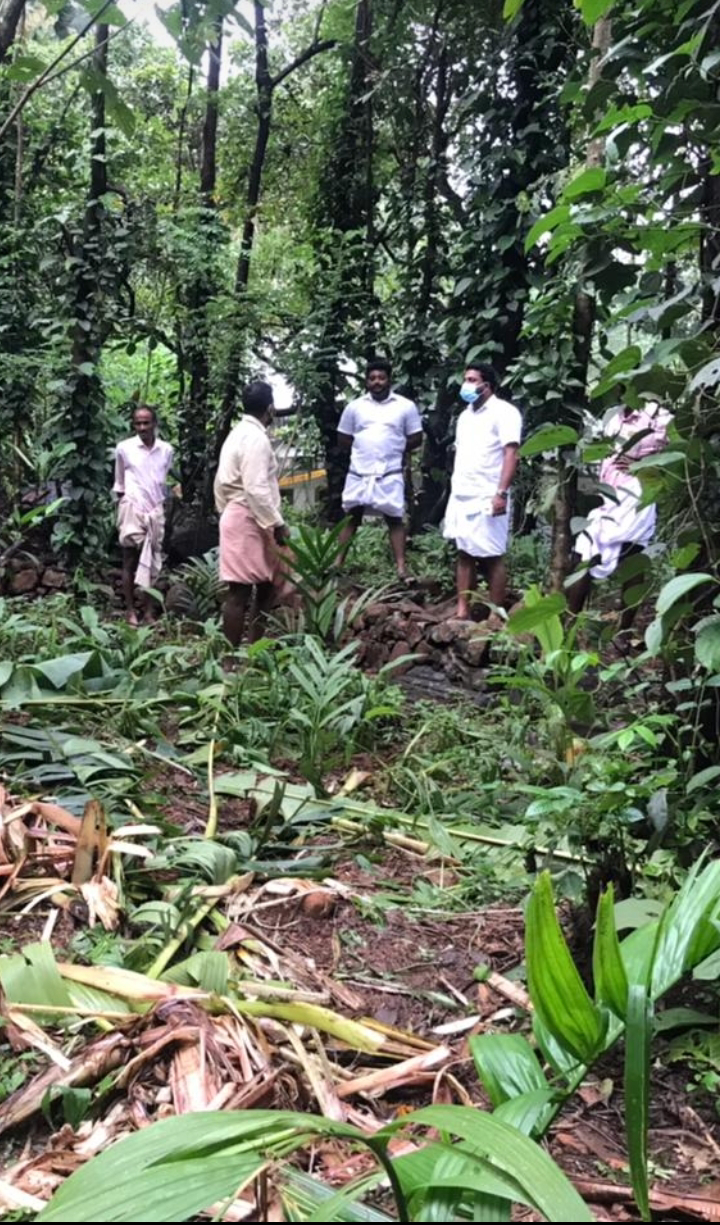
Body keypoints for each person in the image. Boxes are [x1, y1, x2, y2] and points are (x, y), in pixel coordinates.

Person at [568, 400, 672, 625]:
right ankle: (567, 625)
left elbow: (674, 454)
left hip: (636, 493)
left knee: (632, 554)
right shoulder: (613, 415)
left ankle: (624, 629)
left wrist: (644, 464)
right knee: (584, 549)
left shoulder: (658, 416)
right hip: (608, 493)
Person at [214, 380, 291, 646]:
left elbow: (219, 483)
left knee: (266, 587)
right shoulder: (255, 438)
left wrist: (227, 512)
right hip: (249, 516)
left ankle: (252, 651)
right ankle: (231, 659)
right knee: (240, 592)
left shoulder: (236, 434)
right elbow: (256, 488)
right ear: (270, 409)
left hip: (241, 516)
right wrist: (277, 524)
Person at [443, 362, 522, 617]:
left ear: (487, 385)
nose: (466, 385)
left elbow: (512, 453)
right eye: (465, 379)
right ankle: (462, 610)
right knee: (464, 552)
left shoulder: (505, 412)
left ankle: (495, 614)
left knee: (492, 555)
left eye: (472, 380)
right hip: (463, 492)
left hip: (488, 493)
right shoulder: (465, 416)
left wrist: (501, 493)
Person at [337, 358, 423, 579]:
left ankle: (401, 567)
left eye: (381, 378)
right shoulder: (354, 407)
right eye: (372, 378)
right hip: (359, 470)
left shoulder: (405, 406)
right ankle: (337, 563)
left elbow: (416, 437)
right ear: (366, 382)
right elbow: (343, 438)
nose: (377, 382)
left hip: (390, 471)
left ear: (389, 380)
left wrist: (393, 450)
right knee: (351, 516)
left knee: (394, 518)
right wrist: (365, 451)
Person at [114, 405, 174, 626]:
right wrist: (124, 507)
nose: (142, 427)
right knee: (129, 559)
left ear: (154, 424)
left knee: (152, 561)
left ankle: (149, 612)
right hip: (132, 508)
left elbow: (161, 481)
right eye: (138, 423)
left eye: (146, 422)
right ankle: (130, 610)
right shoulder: (124, 448)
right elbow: (119, 482)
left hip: (155, 511)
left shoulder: (166, 450)